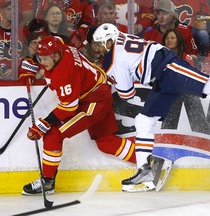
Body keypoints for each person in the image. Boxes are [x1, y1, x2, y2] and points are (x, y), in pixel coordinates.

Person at [91, 23, 210, 192]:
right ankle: (145, 171)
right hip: (162, 78)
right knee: (143, 121)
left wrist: (113, 78)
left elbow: (127, 94)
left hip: (170, 69)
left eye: (100, 44)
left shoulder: (113, 59)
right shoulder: (123, 38)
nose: (98, 49)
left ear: (109, 41)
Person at [18, 35, 137, 195]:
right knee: (106, 142)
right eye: (40, 58)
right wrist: (31, 62)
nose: (43, 63)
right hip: (99, 91)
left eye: (45, 59)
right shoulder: (61, 46)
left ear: (55, 55)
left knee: (52, 135)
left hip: (94, 102)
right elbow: (56, 39)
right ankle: (149, 157)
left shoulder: (65, 73)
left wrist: (44, 123)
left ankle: (47, 182)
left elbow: (68, 108)